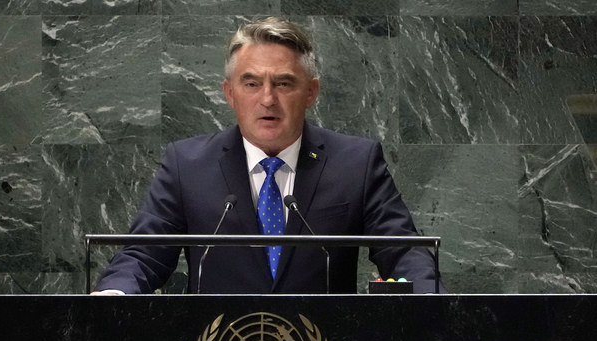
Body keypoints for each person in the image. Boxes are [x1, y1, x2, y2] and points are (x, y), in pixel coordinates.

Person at [93, 17, 443, 295]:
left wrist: (431, 300)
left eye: (284, 83)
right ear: (229, 93)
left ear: (311, 92)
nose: (267, 99)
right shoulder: (187, 165)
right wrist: (114, 294)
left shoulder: (356, 163)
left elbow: (403, 252)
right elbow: (143, 254)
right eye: (251, 83)